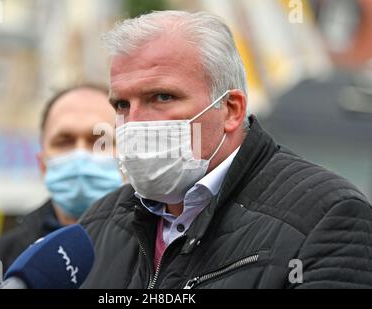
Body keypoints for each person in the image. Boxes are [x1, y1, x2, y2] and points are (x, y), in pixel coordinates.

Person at [79, 11, 372, 289]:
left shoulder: (326, 217)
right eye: (121, 105)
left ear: (231, 109)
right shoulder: (99, 222)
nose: (135, 122)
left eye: (162, 96)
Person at [0, 85, 122, 288]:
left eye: (99, 141)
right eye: (64, 141)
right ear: (42, 164)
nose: (80, 155)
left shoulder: (156, 251)